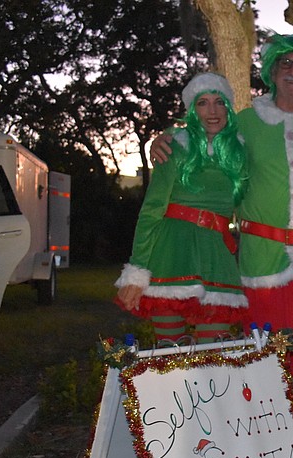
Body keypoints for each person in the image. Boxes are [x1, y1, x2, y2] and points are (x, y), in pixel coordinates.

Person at [150, 34, 293, 393]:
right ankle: (271, 437)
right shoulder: (245, 123)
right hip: (261, 260)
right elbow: (202, 140)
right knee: (265, 354)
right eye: (285, 63)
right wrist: (163, 139)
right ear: (270, 72)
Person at [115, 72, 248, 344]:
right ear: (192, 110)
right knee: (169, 355)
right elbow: (151, 211)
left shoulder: (241, 153)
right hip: (171, 253)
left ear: (228, 108)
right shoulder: (174, 147)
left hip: (216, 255)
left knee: (212, 355)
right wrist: (137, 270)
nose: (212, 111)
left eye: (218, 102)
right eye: (202, 103)